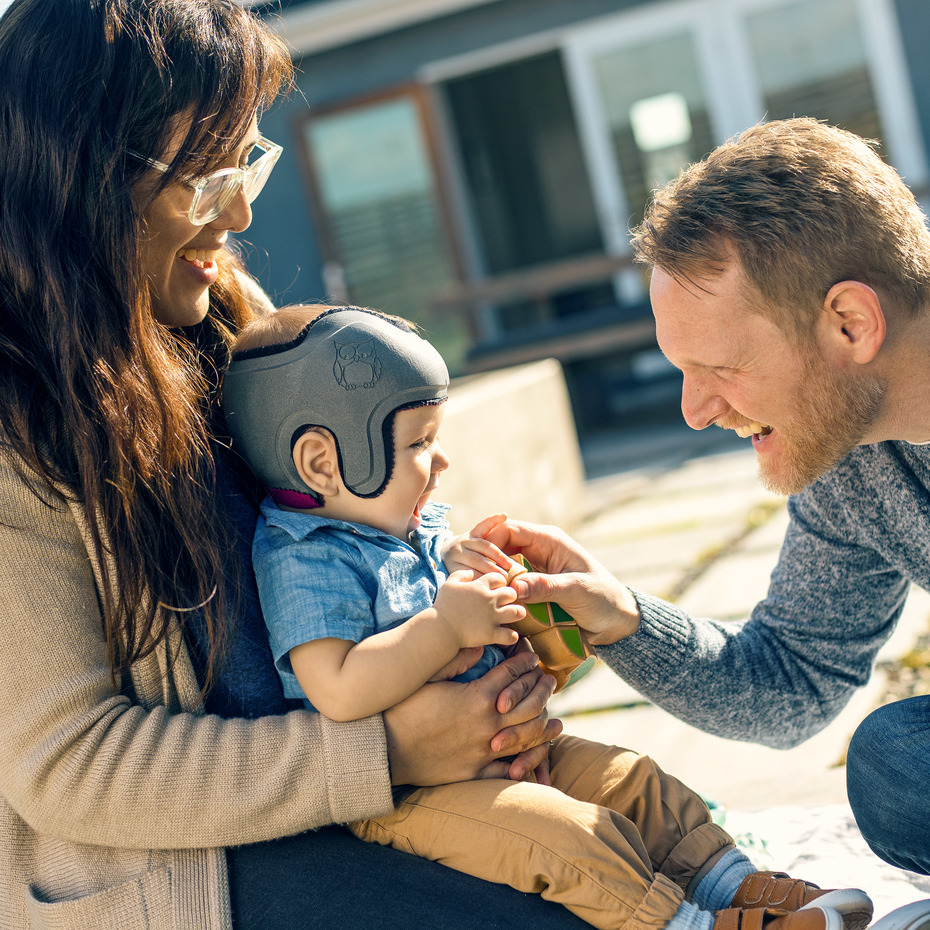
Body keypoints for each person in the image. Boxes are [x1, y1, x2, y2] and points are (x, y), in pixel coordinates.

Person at [0, 2, 568, 928]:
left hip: (355, 805)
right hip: (188, 874)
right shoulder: (16, 430)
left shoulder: (238, 337)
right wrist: (388, 749)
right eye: (209, 176)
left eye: (248, 162)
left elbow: (348, 549)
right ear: (82, 173)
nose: (244, 209)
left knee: (630, 857)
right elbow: (70, 764)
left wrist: (477, 626)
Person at [221, 303, 873, 930]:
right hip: (415, 799)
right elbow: (336, 688)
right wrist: (445, 627)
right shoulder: (303, 559)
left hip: (512, 753)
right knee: (566, 839)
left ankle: (747, 889)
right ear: (320, 462)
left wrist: (480, 578)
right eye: (419, 443)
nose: (441, 462)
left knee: (633, 782)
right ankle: (688, 923)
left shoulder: (396, 527)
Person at [489, 118, 930, 884]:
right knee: (896, 766)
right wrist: (621, 618)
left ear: (851, 323)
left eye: (719, 366)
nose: (695, 410)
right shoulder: (850, 460)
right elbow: (792, 683)